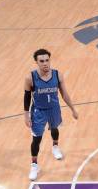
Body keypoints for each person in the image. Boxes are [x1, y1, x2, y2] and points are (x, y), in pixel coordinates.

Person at [24, 49, 78, 181]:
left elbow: (64, 94)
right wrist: (26, 115)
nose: (45, 63)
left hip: (54, 109)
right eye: (41, 61)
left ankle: (55, 147)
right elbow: (26, 97)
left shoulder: (57, 75)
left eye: (47, 60)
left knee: (55, 129)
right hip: (38, 111)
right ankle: (34, 165)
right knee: (37, 139)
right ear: (36, 62)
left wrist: (73, 109)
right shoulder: (30, 78)